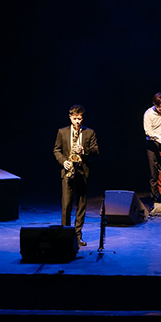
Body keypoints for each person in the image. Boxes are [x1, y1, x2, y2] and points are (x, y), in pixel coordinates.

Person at [53, 105, 99, 246]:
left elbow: (96, 150)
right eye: (75, 119)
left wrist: (84, 150)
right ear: (70, 117)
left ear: (82, 118)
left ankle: (78, 235)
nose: (77, 121)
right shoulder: (62, 132)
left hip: (82, 172)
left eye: (79, 119)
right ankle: (65, 235)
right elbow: (56, 150)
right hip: (68, 171)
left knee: (81, 204)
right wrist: (63, 162)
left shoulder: (89, 133)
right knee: (66, 204)